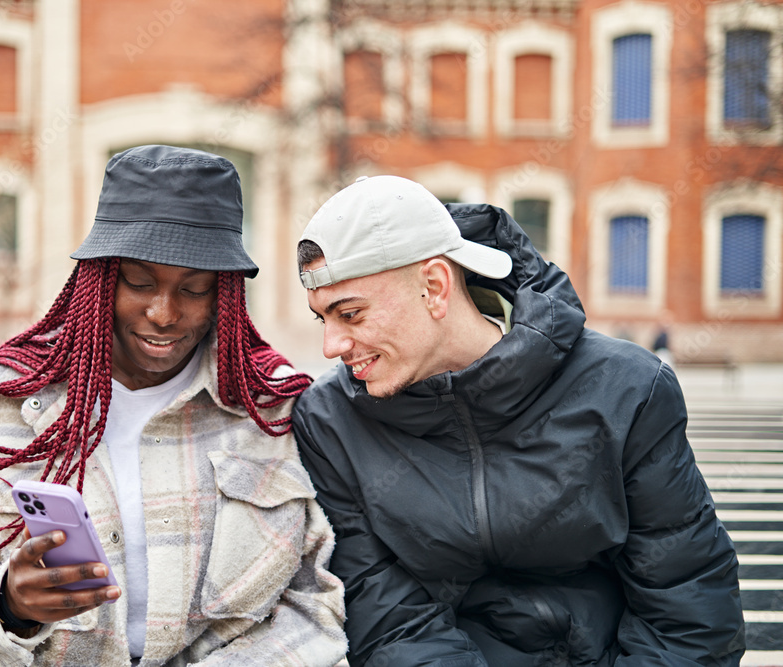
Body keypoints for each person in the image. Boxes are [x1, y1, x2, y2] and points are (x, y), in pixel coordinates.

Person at [291, 175, 745, 666]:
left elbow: (686, 603)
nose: (330, 347)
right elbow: (388, 620)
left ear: (435, 287)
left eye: (351, 314)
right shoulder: (330, 422)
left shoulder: (626, 389)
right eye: (323, 319)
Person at [0, 145, 346, 667]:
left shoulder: (273, 407)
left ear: (225, 295)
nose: (163, 313)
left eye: (194, 289)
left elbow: (318, 604)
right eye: (140, 282)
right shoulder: (1, 403)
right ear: (98, 278)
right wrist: (10, 608)